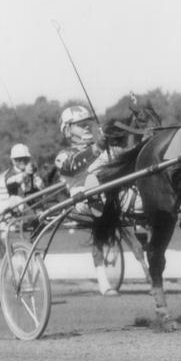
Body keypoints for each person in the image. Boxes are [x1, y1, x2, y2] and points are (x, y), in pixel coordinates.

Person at [56, 105, 119, 296]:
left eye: (87, 123)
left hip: (111, 196)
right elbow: (72, 167)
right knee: (92, 181)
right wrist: (98, 147)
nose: (85, 127)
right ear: (67, 130)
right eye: (80, 125)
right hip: (81, 200)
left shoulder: (106, 150)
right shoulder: (63, 156)